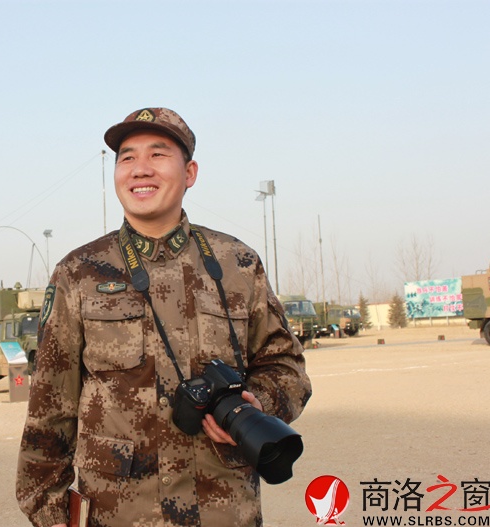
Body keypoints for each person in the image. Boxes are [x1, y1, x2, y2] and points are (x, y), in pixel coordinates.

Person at [16, 107, 311, 527]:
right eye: (127, 157)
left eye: (157, 154)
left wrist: (257, 401)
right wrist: (50, 514)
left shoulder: (237, 264)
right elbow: (50, 405)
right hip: (120, 514)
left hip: (224, 511)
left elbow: (287, 366)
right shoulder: (78, 273)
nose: (140, 169)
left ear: (189, 173)